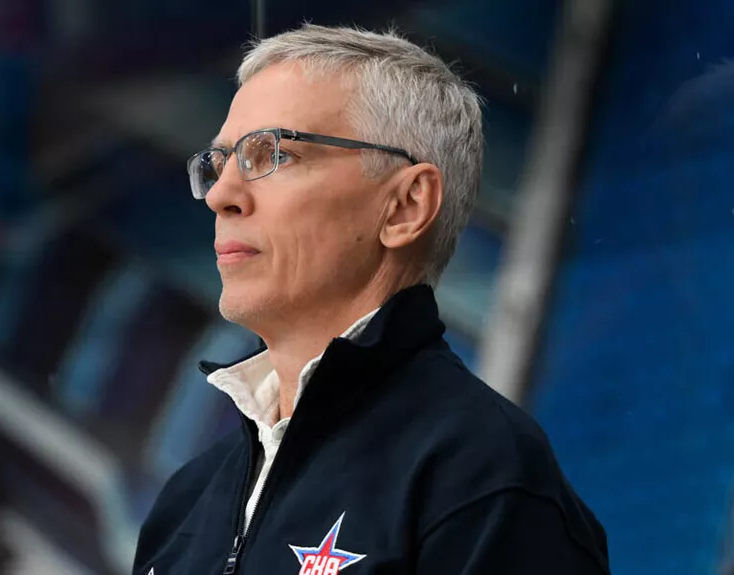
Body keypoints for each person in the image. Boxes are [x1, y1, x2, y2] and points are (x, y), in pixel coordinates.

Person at [133, 23, 610, 575]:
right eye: (219, 164)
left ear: (405, 206)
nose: (221, 195)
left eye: (273, 154)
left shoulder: (484, 477)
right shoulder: (186, 500)